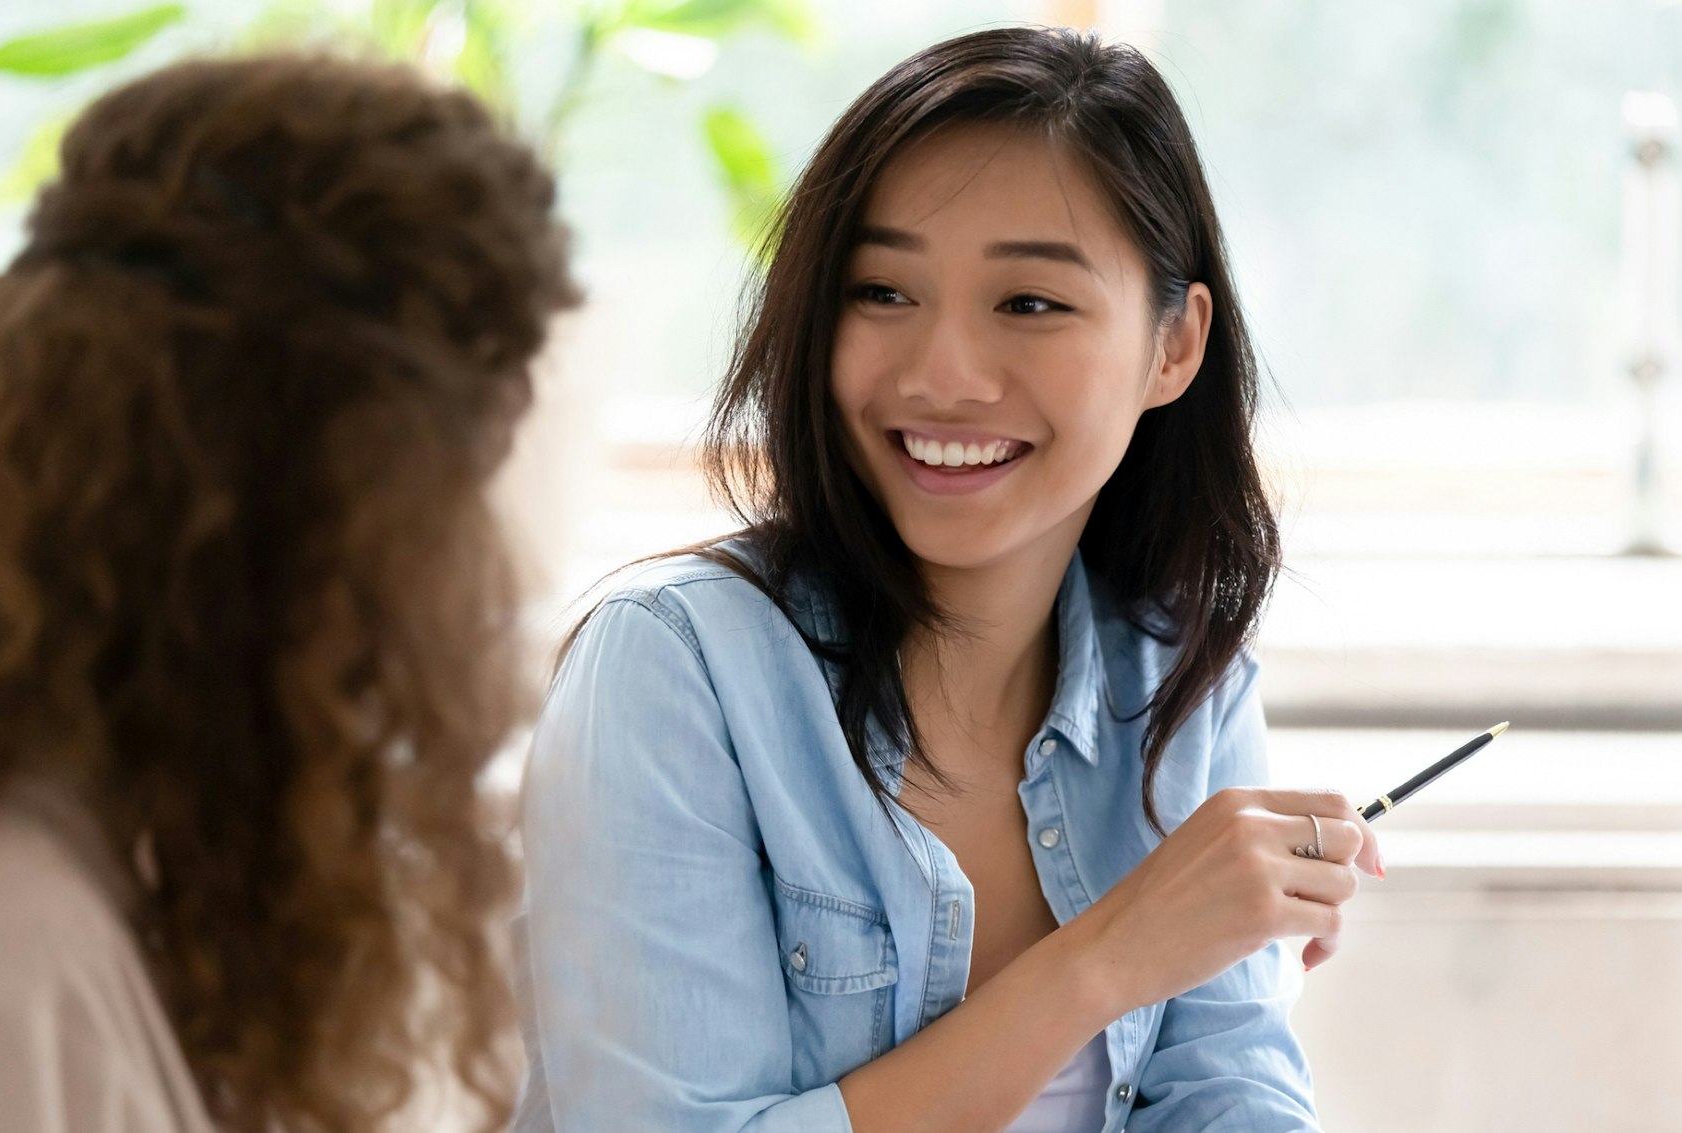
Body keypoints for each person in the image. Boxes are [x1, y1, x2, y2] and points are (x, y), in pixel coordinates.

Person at [516, 25, 1380, 1133]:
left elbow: (1229, 1092)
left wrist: (1234, 907)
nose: (941, 375)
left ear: (1172, 346)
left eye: (1028, 302)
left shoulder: (1182, 681)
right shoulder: (674, 671)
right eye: (881, 292)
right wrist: (1102, 959)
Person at [0, 54, 577, 1133]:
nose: (477, 578)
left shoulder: (108, 862)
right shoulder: (20, 963)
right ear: (310, 494)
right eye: (454, 493)